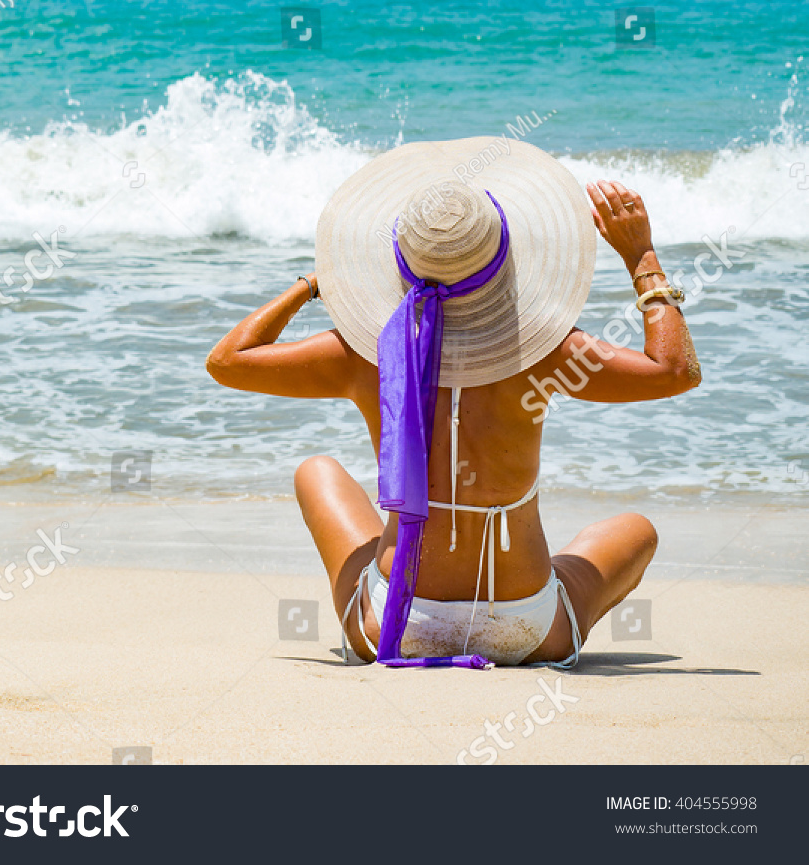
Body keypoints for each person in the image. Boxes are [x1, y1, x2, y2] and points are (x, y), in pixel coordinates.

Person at [206, 138, 700, 668]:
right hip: (526, 627)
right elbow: (674, 371)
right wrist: (641, 257)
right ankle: (514, 595)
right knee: (634, 532)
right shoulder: (544, 352)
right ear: (507, 258)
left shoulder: (362, 353)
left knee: (317, 471)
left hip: (394, 625)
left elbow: (228, 360)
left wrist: (312, 284)